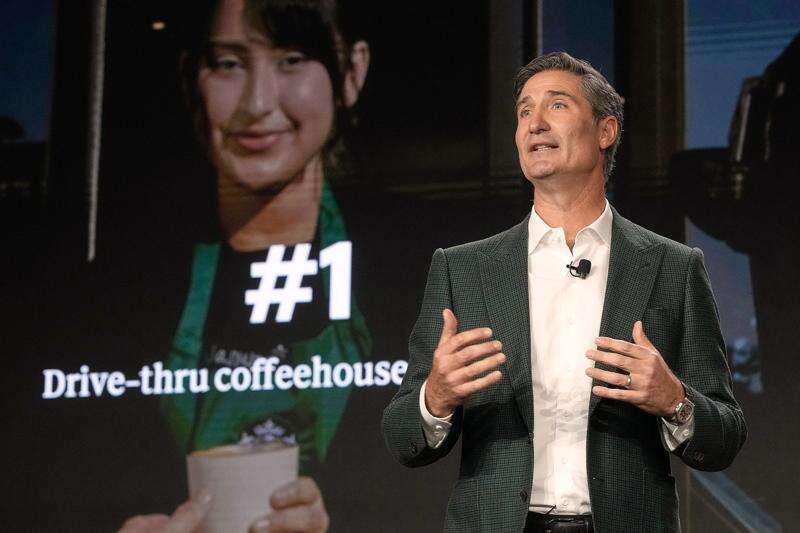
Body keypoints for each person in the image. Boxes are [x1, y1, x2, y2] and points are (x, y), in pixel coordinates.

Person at [382, 52, 746, 533]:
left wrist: (673, 400)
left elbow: (725, 436)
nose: (534, 123)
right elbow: (402, 436)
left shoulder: (672, 267)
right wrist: (436, 396)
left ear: (605, 131)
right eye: (524, 111)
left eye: (556, 105)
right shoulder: (462, 269)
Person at [121, 0, 370, 531]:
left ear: (352, 72)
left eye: (292, 59)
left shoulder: (420, 272)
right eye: (228, 64)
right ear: (191, 78)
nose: (257, 104)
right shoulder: (118, 285)